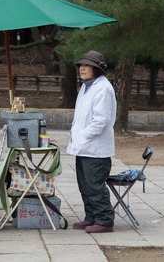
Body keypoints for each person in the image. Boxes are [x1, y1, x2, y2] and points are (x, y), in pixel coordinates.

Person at [66, 50, 117, 233]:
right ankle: (91, 217)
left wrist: (83, 136)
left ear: (98, 69)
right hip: (83, 147)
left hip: (96, 149)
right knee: (84, 185)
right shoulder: (87, 86)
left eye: (87, 66)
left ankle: (104, 220)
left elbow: (101, 121)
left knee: (95, 185)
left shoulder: (102, 88)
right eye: (81, 65)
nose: (82, 68)